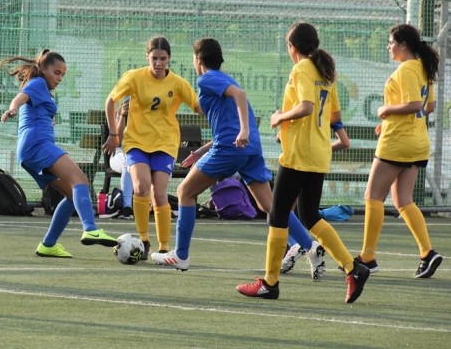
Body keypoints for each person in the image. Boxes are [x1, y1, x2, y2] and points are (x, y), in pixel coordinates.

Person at [150, 37, 323, 280]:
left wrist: (242, 130)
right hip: (249, 149)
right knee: (270, 207)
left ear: (198, 60)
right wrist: (202, 151)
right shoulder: (225, 79)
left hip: (232, 148)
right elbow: (229, 122)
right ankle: (311, 246)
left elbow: (240, 97)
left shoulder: (207, 78)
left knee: (185, 193)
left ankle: (181, 254)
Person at [236, 22, 370, 303]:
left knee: (277, 214)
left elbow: (307, 107)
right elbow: (333, 116)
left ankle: (270, 283)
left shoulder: (301, 69)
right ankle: (353, 268)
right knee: (309, 216)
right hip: (318, 152)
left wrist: (279, 118)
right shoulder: (325, 71)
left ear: (292, 47)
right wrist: (328, 135)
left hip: (299, 153)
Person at [0, 49, 118, 258]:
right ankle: (90, 228)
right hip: (38, 144)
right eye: (56, 72)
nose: (60, 78)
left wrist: (48, 119)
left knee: (73, 196)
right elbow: (20, 97)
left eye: (63, 74)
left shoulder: (43, 90)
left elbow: (35, 110)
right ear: (43, 69)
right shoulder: (37, 84)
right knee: (80, 180)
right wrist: (13, 109)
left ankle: (48, 244)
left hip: (28, 152)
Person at [103, 36, 202, 259]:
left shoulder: (177, 83)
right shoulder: (134, 77)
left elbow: (198, 106)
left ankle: (165, 248)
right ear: (147, 57)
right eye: (154, 58)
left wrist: (223, 112)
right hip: (136, 142)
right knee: (140, 188)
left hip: (165, 144)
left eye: (163, 59)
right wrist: (113, 133)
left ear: (169, 59)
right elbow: (111, 101)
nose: (158, 63)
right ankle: (144, 241)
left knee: (159, 194)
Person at [357, 23, 442, 278]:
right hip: (416, 142)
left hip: (399, 143)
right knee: (403, 200)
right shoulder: (422, 67)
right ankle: (427, 253)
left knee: (373, 197)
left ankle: (368, 257)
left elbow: (415, 103)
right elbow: (429, 107)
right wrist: (390, 120)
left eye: (391, 42)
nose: (388, 46)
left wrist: (386, 111)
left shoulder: (406, 69)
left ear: (403, 45)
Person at [280, 120, 350, 277]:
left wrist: (280, 118)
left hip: (296, 162)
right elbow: (345, 142)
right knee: (300, 214)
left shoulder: (301, 108)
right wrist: (320, 150)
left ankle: (299, 246)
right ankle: (347, 264)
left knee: (278, 211)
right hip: (317, 163)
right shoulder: (326, 108)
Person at [103, 97, 133, 219]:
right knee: (128, 163)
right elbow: (118, 140)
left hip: (140, 153)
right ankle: (126, 207)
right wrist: (123, 116)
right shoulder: (119, 113)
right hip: (119, 152)